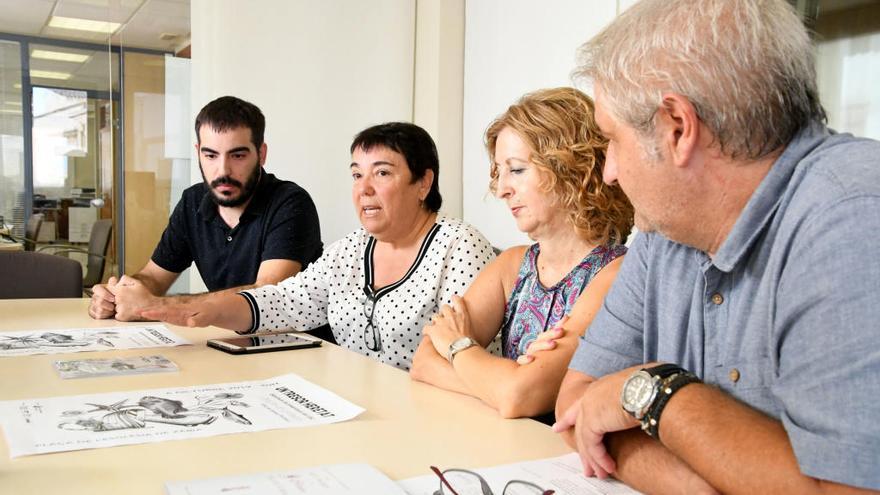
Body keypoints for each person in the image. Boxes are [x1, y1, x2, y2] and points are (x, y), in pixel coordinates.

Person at [548, 1, 880, 493]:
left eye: (611, 140)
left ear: (678, 128)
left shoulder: (853, 217)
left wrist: (658, 395)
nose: (609, 172)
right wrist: (715, 481)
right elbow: (575, 410)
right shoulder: (664, 232)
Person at [137, 122, 494, 371]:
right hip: (363, 407)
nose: (364, 189)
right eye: (357, 174)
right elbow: (283, 300)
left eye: (382, 173)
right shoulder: (352, 249)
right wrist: (199, 310)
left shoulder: (459, 246)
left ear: (423, 183)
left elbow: (458, 358)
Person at [410, 88, 633, 419]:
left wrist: (458, 347)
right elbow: (424, 363)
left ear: (571, 169)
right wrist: (504, 378)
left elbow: (519, 395)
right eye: (499, 172)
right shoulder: (512, 265)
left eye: (516, 170)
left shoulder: (618, 274)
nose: (501, 189)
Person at [88, 96, 323, 321]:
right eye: (210, 155)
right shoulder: (193, 201)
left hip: (295, 347)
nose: (223, 171)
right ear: (198, 152)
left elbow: (266, 295)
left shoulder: (291, 203)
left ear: (261, 154)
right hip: (227, 341)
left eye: (238, 155)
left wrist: (156, 306)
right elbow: (153, 277)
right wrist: (120, 295)